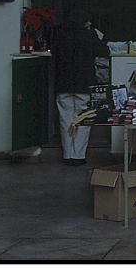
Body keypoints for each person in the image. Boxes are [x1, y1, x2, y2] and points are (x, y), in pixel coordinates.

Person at [54, 9, 107, 166]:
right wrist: (94, 32)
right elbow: (103, 50)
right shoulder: (89, 35)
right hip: (84, 84)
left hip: (63, 83)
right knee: (83, 120)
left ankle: (67, 154)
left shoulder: (60, 35)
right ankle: (78, 155)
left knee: (65, 119)